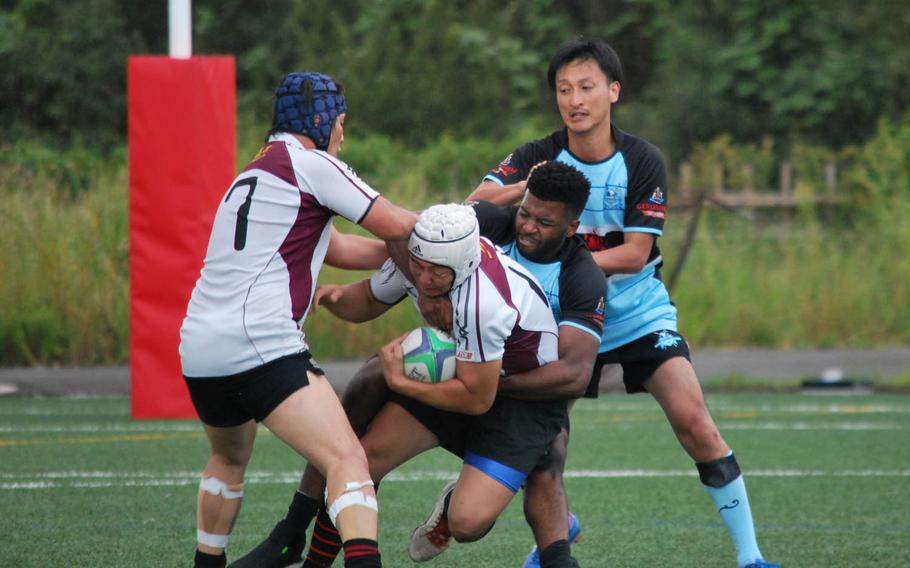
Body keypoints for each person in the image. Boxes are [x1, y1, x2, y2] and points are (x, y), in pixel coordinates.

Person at [467, 38, 779, 568]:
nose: (575, 99)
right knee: (548, 455)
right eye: (564, 90)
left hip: (638, 318)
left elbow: (635, 254)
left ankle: (751, 557)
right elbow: (472, 206)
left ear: (613, 91)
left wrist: (565, 261)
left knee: (695, 421)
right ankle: (556, 535)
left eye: (587, 87)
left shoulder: (641, 159)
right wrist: (523, 190)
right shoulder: (536, 157)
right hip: (560, 323)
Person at [230, 163, 605, 568]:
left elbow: (486, 395)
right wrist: (336, 296)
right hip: (465, 372)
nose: (423, 278)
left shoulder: (488, 302)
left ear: (570, 227)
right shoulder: (445, 245)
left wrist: (404, 383)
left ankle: (481, 512)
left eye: (544, 221)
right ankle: (310, 557)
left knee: (469, 521)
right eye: (525, 214)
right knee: (360, 461)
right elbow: (383, 277)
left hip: (518, 400)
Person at [179, 71, 416, 568]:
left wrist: (398, 253)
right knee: (347, 459)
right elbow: (397, 225)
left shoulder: (254, 172)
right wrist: (467, 228)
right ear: (321, 119)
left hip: (200, 349)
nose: (343, 134)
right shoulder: (311, 164)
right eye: (342, 123)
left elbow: (347, 247)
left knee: (227, 461)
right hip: (260, 342)